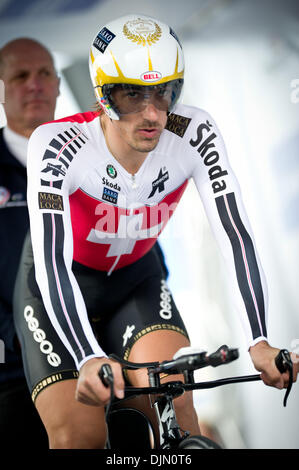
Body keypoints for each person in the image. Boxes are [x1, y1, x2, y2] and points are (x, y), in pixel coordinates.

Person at [13, 14, 298, 449]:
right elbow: (52, 261)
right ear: (102, 95)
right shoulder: (57, 143)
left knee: (176, 399)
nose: (152, 115)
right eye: (131, 95)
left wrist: (259, 340)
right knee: (79, 435)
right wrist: (89, 356)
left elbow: (235, 235)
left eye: (164, 93)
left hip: (135, 278)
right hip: (60, 278)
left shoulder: (194, 131)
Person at [0, 37, 60, 447]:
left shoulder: (99, 158)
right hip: (11, 377)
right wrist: (16, 335)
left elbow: (136, 243)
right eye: (21, 76)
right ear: (2, 89)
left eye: (44, 74)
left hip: (100, 366)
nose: (35, 85)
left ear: (58, 84)